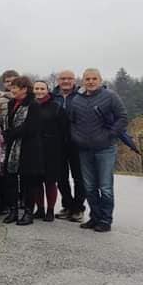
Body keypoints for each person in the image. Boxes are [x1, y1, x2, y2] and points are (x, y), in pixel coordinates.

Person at [69, 68, 127, 232]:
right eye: (87, 79)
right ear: (83, 81)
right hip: (84, 149)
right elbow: (72, 122)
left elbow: (123, 117)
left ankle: (105, 220)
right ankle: (94, 217)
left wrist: (110, 135)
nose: (91, 81)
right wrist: (76, 137)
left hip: (105, 148)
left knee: (105, 187)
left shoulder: (110, 96)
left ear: (100, 80)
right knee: (89, 186)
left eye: (94, 78)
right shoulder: (77, 100)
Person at [2, 76, 44, 226]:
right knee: (10, 179)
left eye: (15, 88)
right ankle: (13, 210)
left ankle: (28, 212)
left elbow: (31, 128)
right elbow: (9, 122)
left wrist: (9, 134)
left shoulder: (33, 105)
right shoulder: (11, 103)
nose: (12, 90)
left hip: (28, 148)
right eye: (11, 87)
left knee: (28, 182)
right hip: (12, 147)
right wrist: (7, 133)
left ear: (24, 89)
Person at [51, 69, 86, 221]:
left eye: (69, 78)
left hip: (77, 142)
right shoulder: (52, 97)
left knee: (79, 177)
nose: (66, 81)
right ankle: (67, 205)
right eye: (63, 78)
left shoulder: (81, 96)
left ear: (74, 80)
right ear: (58, 80)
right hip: (57, 142)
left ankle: (78, 208)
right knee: (61, 177)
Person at [33, 80, 68, 221]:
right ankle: (40, 209)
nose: (39, 91)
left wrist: (61, 147)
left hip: (52, 149)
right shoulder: (29, 106)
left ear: (47, 90)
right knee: (36, 181)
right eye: (36, 88)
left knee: (50, 181)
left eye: (42, 88)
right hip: (34, 148)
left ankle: (50, 210)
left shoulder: (56, 107)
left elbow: (64, 129)